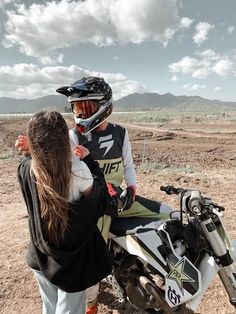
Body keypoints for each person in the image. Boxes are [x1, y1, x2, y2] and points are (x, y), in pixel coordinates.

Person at [15, 77, 173, 314]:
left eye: (86, 107)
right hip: (94, 203)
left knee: (168, 212)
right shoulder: (72, 136)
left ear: (105, 105)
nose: (80, 113)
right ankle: (91, 303)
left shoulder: (121, 132)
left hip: (119, 198)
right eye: (76, 107)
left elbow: (128, 164)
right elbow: (57, 157)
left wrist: (131, 188)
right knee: (89, 259)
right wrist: (37, 146)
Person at [16, 110, 113, 314]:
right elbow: (102, 201)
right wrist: (89, 161)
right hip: (71, 266)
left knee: (49, 307)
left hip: (40, 257)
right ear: (63, 139)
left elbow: (37, 161)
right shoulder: (78, 171)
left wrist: (30, 151)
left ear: (34, 143)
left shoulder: (26, 169)